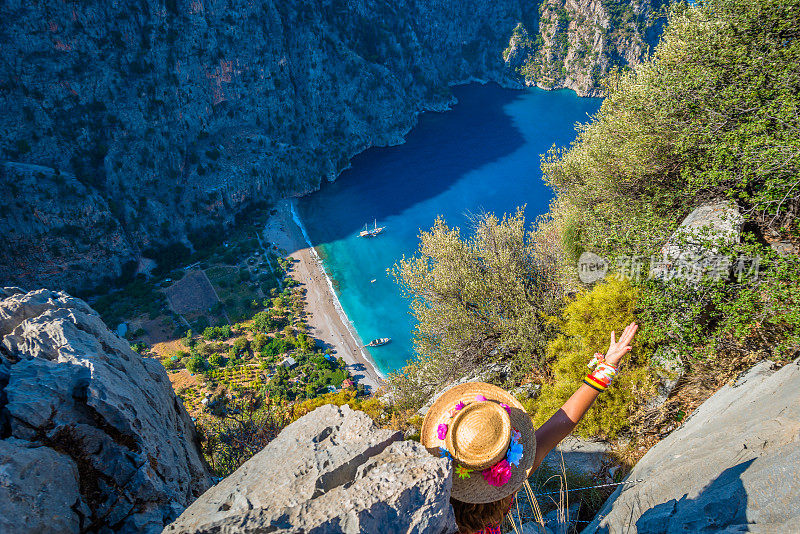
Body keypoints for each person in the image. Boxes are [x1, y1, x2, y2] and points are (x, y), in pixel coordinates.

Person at [421, 322, 639, 534]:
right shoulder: (504, 487)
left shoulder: (426, 501)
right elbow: (562, 422)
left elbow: (562, 423)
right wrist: (607, 365)